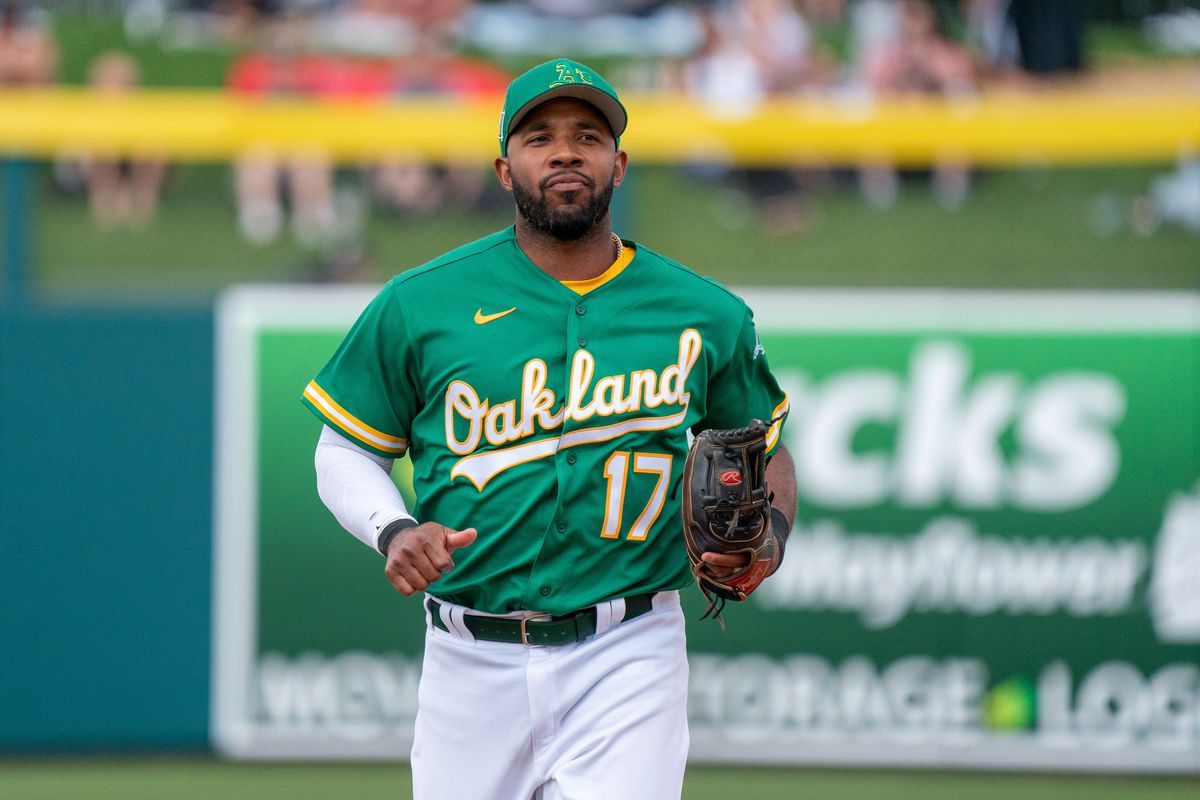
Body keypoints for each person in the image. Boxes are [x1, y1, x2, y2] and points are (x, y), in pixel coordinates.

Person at [302, 57, 795, 800]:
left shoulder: (705, 313)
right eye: (540, 137)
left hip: (630, 651)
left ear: (619, 164)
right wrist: (393, 528)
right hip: (469, 660)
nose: (566, 150)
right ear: (504, 168)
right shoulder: (421, 303)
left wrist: (773, 538)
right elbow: (341, 450)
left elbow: (768, 451)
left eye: (588, 136)